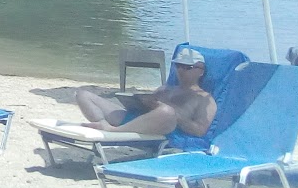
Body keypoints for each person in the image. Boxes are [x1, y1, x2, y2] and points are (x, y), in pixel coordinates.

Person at [75, 48, 218, 138]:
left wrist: (175, 115)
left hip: (166, 130)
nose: (181, 70)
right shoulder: (166, 88)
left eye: (188, 67)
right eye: (178, 65)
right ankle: (102, 124)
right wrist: (142, 101)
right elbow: (149, 105)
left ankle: (111, 131)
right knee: (83, 95)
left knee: (167, 112)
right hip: (136, 120)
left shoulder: (205, 99)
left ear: (201, 71)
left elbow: (200, 131)